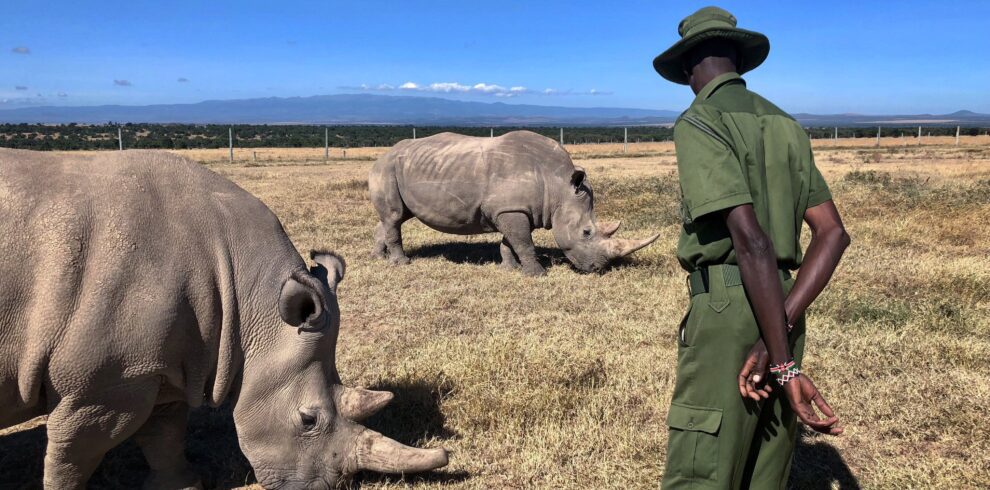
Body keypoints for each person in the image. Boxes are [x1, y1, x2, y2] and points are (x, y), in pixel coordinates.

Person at [652, 6, 851, 489]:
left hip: (730, 307)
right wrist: (780, 337)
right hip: (786, 304)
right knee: (769, 461)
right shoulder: (785, 125)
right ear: (739, 60)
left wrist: (777, 361)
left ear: (686, 69)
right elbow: (833, 232)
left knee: (703, 464)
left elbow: (752, 241)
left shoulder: (700, 121)